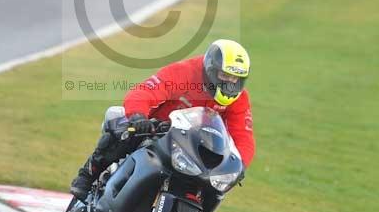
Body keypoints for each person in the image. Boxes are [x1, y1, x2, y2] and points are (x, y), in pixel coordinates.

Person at [70, 39, 255, 200]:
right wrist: (138, 116)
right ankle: (88, 173)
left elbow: (244, 136)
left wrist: (239, 166)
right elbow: (145, 91)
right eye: (224, 75)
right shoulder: (184, 72)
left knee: (215, 188)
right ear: (210, 69)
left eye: (235, 79)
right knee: (122, 127)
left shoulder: (240, 99)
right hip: (157, 130)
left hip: (194, 147)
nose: (229, 83)